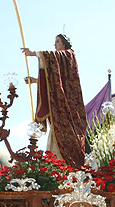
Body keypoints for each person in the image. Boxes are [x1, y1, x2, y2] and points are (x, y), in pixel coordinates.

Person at [22, 34, 87, 168]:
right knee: (56, 134)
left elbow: (60, 81)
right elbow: (54, 82)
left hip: (68, 106)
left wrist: (33, 53)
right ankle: (55, 166)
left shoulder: (68, 56)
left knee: (66, 134)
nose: (55, 45)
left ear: (64, 43)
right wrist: (35, 81)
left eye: (57, 41)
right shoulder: (60, 62)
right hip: (59, 107)